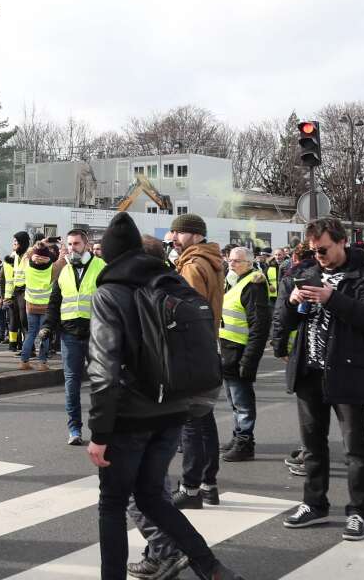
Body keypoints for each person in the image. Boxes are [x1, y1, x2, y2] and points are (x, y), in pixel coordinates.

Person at [86, 212, 245, 580]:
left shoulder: (110, 293)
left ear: (109, 256)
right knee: (152, 497)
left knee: (111, 504)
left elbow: (104, 371)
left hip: (131, 415)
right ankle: (211, 567)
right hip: (174, 407)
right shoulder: (172, 283)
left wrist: (100, 433)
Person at [277, 218, 364, 542]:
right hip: (310, 371)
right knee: (312, 445)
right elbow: (286, 318)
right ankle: (314, 504)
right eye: (312, 250)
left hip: (349, 369)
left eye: (323, 249)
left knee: (355, 446)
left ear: (341, 242)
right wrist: (292, 303)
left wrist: (331, 298)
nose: (318, 255)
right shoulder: (306, 272)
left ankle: (358, 511)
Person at [166, 214, 224, 509]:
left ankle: (190, 488)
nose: (173, 237)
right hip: (209, 347)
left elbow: (189, 312)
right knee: (204, 418)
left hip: (193, 350)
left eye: (178, 232)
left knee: (191, 420)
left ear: (194, 234)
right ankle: (208, 483)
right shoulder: (211, 260)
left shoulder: (192, 265)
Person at [43, 228, 103, 445]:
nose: (72, 248)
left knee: (100, 383)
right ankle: (74, 429)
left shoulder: (101, 267)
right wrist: (48, 326)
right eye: (69, 244)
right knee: (71, 383)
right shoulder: (64, 271)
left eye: (76, 244)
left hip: (96, 335)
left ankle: (100, 430)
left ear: (86, 245)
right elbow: (54, 303)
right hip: (69, 334)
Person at [218, 247, 270, 462]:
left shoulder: (253, 285)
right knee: (233, 399)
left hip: (240, 351)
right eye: (230, 260)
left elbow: (259, 326)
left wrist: (249, 359)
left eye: (237, 261)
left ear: (249, 263)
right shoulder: (233, 282)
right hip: (228, 350)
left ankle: (245, 442)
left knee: (243, 402)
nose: (232, 264)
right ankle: (238, 434)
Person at [18, 243, 61, 371]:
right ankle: (42, 363)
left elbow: (26, 253)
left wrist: (42, 242)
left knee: (31, 333)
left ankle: (24, 362)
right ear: (48, 256)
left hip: (31, 306)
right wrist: (62, 245)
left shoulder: (27, 266)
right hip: (47, 308)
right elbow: (64, 257)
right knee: (44, 334)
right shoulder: (53, 268)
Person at [1, 232, 30, 352]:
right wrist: (2, 296)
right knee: (13, 321)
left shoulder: (28, 255)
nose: (14, 244)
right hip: (13, 293)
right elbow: (3, 280)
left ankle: (27, 346)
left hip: (25, 292)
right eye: (13, 242)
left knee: (24, 321)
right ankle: (13, 344)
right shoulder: (13, 257)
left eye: (16, 242)